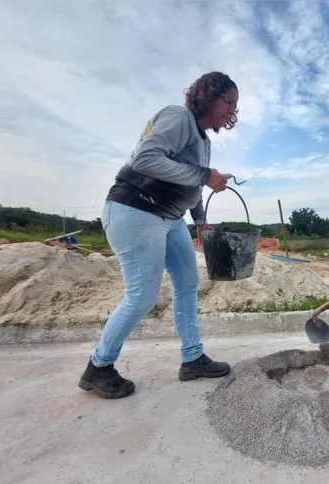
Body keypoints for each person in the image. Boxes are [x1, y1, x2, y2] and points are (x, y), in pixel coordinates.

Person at [78, 71, 239, 399]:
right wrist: (204, 174)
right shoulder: (178, 117)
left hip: (169, 217)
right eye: (229, 102)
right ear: (209, 95)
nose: (233, 111)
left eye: (236, 106)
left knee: (187, 283)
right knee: (141, 294)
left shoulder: (203, 140)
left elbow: (192, 186)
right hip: (135, 209)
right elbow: (146, 159)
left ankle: (192, 359)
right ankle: (99, 367)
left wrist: (201, 221)